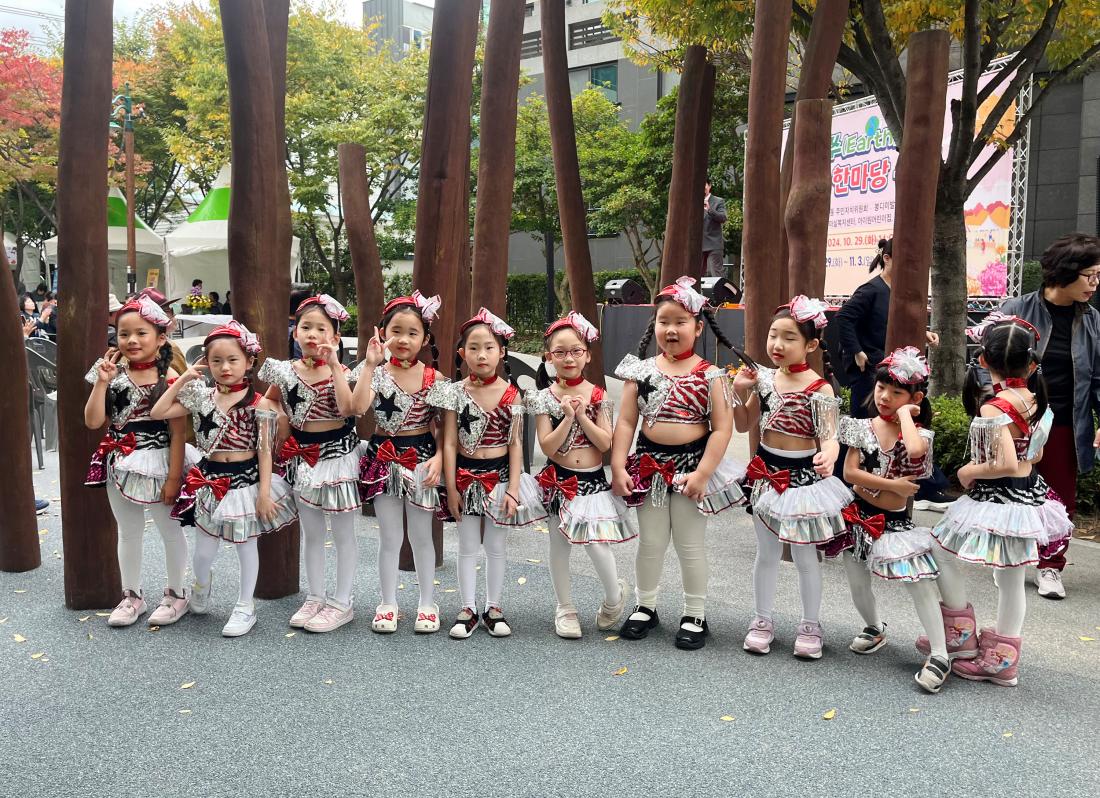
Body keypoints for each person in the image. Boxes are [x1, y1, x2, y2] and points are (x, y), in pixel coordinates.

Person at [918, 316, 1072, 686]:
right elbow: (1032, 457)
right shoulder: (1036, 400)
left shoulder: (995, 407)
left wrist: (969, 472)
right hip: (1027, 496)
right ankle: (1002, 660)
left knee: (939, 551)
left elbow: (1001, 463)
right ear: (1032, 363)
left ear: (983, 361)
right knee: (1011, 578)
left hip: (997, 497)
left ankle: (961, 638)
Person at [611, 277, 749, 650]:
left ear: (699, 327)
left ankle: (695, 613)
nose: (671, 330)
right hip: (649, 465)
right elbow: (626, 421)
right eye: (663, 322)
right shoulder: (639, 371)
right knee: (651, 542)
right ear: (653, 325)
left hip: (692, 465)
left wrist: (704, 473)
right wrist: (619, 466)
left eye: (680, 322)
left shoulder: (711, 375)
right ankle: (646, 605)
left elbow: (721, 430)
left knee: (690, 544)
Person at [151, 321, 297, 637]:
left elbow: (265, 452)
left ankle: (246, 606)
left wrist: (265, 492)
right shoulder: (201, 396)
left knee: (246, 546)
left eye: (232, 360)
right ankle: (201, 584)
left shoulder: (260, 404)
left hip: (246, 480)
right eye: (216, 361)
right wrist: (181, 381)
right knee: (203, 552)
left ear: (249, 362)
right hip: (209, 479)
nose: (224, 367)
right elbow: (159, 412)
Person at [732, 296, 852, 659]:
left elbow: (830, 436)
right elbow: (743, 424)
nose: (777, 345)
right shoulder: (764, 380)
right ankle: (762, 620)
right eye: (773, 336)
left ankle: (810, 624)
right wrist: (740, 394)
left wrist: (829, 455)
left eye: (788, 338)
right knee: (766, 553)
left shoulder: (820, 389)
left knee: (804, 557)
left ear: (811, 345)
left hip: (803, 480)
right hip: (766, 474)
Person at [828, 348, 951, 692]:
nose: (884, 397)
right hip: (858, 519)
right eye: (882, 388)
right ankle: (874, 626)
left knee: (919, 585)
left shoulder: (919, 436)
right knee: (856, 580)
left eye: (896, 393)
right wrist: (890, 484)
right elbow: (851, 474)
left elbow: (911, 460)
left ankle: (940, 654)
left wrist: (908, 417)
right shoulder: (861, 427)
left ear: (915, 398)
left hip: (896, 525)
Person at [82, 296, 199, 628]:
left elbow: (178, 433)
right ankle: (131, 595)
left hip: (161, 462)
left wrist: (174, 478)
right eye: (123, 334)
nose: (131, 340)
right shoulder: (110, 373)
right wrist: (102, 381)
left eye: (141, 333)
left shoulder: (173, 376)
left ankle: (177, 594)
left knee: (169, 529)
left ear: (160, 337)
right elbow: (93, 421)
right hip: (118, 461)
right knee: (128, 531)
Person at [996, 232, 1100, 599]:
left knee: (1059, 496)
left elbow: (1098, 378)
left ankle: (1051, 567)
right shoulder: (1015, 309)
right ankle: (1011, 554)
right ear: (1066, 273)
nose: (1095, 283)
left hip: (1066, 422)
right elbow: (986, 364)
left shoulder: (1092, 321)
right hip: (1017, 417)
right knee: (1010, 486)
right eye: (1090, 275)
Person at [433, 308, 546, 639]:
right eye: (473, 348)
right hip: (465, 478)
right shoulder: (454, 391)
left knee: (496, 545)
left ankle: (494, 607)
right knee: (467, 544)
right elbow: (450, 442)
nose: (481, 355)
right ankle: (467, 607)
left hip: (498, 478)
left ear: (502, 352)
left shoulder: (513, 395)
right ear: (462, 353)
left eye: (489, 347)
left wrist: (512, 489)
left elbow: (515, 446)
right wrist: (451, 488)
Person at [528, 311, 634, 639]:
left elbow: (605, 443)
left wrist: (581, 416)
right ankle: (565, 607)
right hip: (557, 479)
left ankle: (615, 597)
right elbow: (548, 446)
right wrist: (566, 417)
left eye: (575, 351)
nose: (568, 358)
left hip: (590, 481)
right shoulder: (543, 397)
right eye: (560, 352)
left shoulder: (600, 396)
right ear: (549, 357)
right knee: (559, 545)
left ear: (587, 354)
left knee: (596, 544)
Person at [261, 295, 363, 633]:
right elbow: (269, 399)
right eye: (306, 327)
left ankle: (342, 600)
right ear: (295, 332)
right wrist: (280, 418)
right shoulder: (284, 370)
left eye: (322, 328)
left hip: (338, 457)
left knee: (344, 532)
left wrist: (334, 365)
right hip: (303, 459)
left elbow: (349, 409)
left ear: (335, 337)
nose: (312, 334)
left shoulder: (344, 372)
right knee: (313, 532)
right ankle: (316, 595)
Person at [352, 291, 447, 635]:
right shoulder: (375, 373)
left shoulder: (434, 379)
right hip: (382, 458)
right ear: (381, 332)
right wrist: (368, 364)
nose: (403, 339)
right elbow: (357, 407)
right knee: (389, 537)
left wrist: (438, 457)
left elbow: (443, 428)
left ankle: (427, 602)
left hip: (421, 458)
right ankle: (387, 602)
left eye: (412, 332)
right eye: (396, 330)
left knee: (422, 537)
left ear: (425, 338)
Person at [835, 237, 954, 511]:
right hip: (873, 375)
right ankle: (853, 488)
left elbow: (889, 323)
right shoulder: (871, 290)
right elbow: (844, 318)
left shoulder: (898, 290)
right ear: (886, 258)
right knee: (865, 434)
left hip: (893, 374)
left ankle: (924, 486)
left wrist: (923, 334)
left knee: (906, 429)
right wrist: (857, 351)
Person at [702, 179, 728, 278]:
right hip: (698, 244)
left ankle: (722, 293)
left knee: (717, 275)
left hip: (714, 243)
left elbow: (723, 218)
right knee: (695, 277)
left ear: (709, 186)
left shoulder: (718, 201)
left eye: (704, 187)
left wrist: (710, 210)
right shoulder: (693, 201)